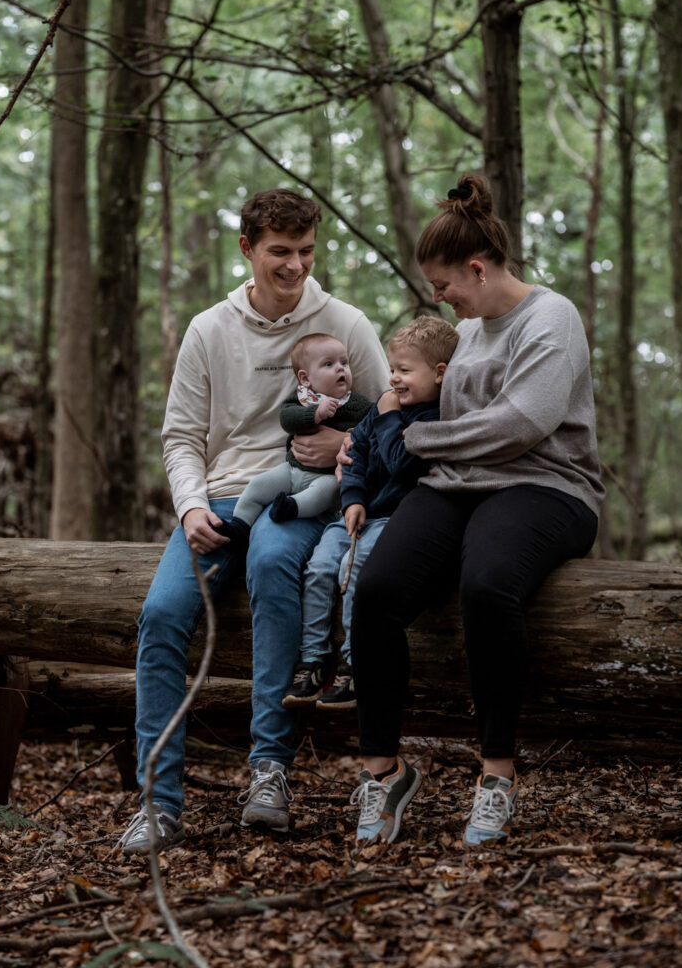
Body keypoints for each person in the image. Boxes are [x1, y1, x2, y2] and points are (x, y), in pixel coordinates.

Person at [118, 188, 389, 854]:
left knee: (273, 566)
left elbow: (389, 417)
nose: (294, 266)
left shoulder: (345, 323)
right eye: (279, 252)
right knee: (161, 614)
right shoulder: (211, 328)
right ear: (247, 249)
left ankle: (269, 771)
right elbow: (181, 436)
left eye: (304, 251)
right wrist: (187, 506)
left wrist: (342, 450)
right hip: (217, 500)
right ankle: (158, 800)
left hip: (300, 500)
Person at [348, 174, 604, 848]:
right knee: (374, 591)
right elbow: (434, 405)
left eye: (444, 284)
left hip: (547, 486)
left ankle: (497, 774)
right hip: (457, 482)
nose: (440, 298)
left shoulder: (552, 318)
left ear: (478, 267)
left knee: (486, 585)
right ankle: (383, 769)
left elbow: (525, 422)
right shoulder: (471, 327)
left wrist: (420, 439)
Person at [282, 316, 459, 711]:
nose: (394, 379)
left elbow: (400, 462)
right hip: (360, 512)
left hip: (396, 520)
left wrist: (389, 413)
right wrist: (353, 498)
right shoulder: (384, 406)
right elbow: (356, 451)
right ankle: (313, 657)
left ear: (439, 373)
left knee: (356, 568)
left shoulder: (434, 419)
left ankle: (354, 661)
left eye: (405, 371)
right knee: (321, 566)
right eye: (392, 369)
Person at [217, 333, 372, 549]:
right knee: (257, 486)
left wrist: (349, 437)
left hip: (328, 478)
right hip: (292, 470)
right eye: (328, 364)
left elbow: (372, 430)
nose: (340, 368)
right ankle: (240, 525)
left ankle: (291, 507)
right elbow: (287, 419)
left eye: (344, 362)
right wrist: (314, 414)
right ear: (305, 378)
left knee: (322, 495)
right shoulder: (302, 399)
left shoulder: (358, 404)